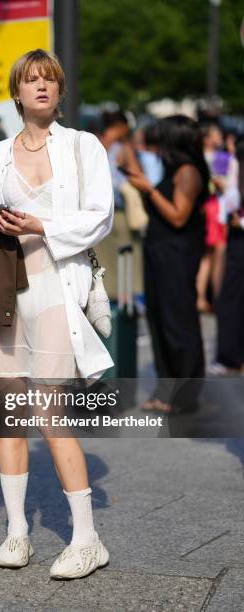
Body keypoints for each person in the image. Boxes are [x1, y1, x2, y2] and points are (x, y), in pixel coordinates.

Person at [0, 49, 114, 579]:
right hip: (5, 293)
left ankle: (87, 538)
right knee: (9, 417)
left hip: (55, 293)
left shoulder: (83, 146)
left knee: (48, 412)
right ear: (17, 92)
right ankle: (17, 531)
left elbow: (100, 217)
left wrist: (38, 226)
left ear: (60, 91)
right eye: (31, 80)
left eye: (50, 79)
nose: (41, 86)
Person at [125, 115, 209, 414]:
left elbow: (178, 215)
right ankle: (167, 389)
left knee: (178, 322)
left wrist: (148, 190)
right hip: (159, 250)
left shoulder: (188, 172)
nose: (155, 145)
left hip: (177, 253)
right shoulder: (172, 169)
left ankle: (185, 395)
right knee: (159, 320)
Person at [212, 135, 244, 374]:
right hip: (236, 241)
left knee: (231, 299)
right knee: (231, 298)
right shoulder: (235, 167)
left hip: (238, 239)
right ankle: (231, 357)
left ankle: (231, 358)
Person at [196, 122, 227, 312]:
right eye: (216, 134)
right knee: (218, 252)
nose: (220, 136)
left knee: (206, 255)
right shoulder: (221, 158)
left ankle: (200, 297)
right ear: (207, 138)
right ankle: (218, 297)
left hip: (205, 207)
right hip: (216, 207)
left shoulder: (197, 158)